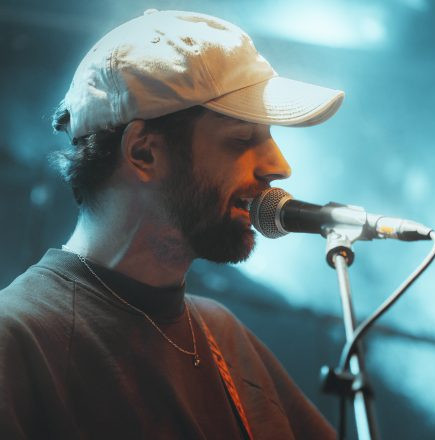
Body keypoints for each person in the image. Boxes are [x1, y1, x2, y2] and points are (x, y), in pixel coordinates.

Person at [0, 9, 344, 439]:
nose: (279, 165)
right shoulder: (18, 338)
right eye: (242, 139)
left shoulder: (224, 334)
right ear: (143, 153)